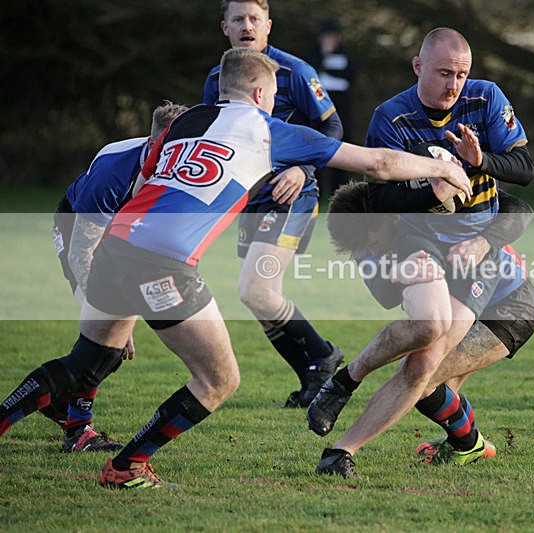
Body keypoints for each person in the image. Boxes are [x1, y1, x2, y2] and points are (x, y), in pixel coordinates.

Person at [0, 47, 470, 489]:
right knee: (219, 380)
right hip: (163, 263)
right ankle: (127, 467)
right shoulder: (268, 129)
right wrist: (442, 170)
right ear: (264, 94)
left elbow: (145, 179)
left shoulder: (186, 122)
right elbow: (379, 163)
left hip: (116, 246)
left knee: (86, 363)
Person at [310, 182, 534, 478]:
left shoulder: (425, 204)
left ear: (393, 218)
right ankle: (465, 442)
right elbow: (383, 295)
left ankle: (343, 450)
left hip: (510, 305)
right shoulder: (361, 234)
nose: (371, 251)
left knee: (421, 371)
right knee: (428, 382)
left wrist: (482, 242)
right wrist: (395, 273)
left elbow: (518, 209)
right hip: (462, 294)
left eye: (374, 242)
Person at [202, 0, 347, 408]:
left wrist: (302, 169)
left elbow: (331, 126)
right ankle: (312, 377)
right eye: (238, 19)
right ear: (224, 27)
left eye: (254, 19)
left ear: (268, 25)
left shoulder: (295, 71)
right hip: (251, 199)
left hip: (292, 195)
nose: (246, 26)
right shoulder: (217, 78)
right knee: (260, 296)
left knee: (256, 288)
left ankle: (321, 357)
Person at [45, 101, 187, 453]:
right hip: (78, 233)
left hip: (121, 238)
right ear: (156, 146)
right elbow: (82, 252)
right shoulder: (113, 174)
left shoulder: (179, 163)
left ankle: (56, 401)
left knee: (109, 346)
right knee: (105, 340)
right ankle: (75, 427)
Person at [305, 17, 358, 198]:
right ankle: (316, 190)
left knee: (342, 148)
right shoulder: (313, 54)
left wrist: (329, 69)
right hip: (319, 109)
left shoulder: (346, 55)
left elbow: (351, 75)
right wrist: (324, 56)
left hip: (342, 107)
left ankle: (339, 191)